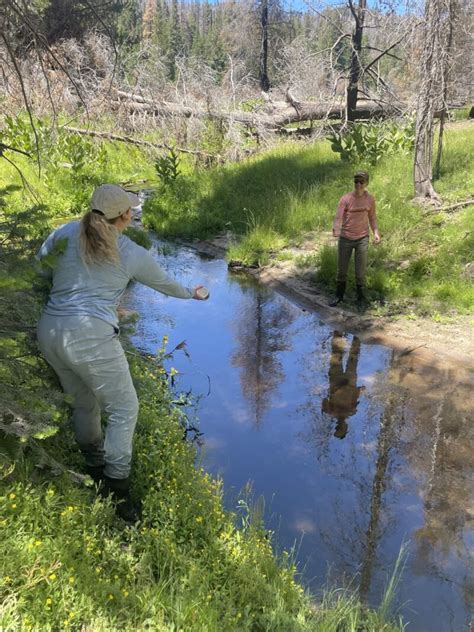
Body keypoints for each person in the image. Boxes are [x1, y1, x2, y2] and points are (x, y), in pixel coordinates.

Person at [37, 184, 208, 521]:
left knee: (85, 402)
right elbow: (167, 285)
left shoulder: (64, 232)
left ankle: (94, 465)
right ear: (127, 215)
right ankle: (118, 490)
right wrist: (194, 293)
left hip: (50, 332)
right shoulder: (130, 252)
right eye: (130, 210)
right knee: (124, 408)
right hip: (90, 337)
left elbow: (42, 264)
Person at [330, 170, 381, 307]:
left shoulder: (370, 199)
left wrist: (376, 232)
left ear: (366, 183)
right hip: (345, 238)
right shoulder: (346, 199)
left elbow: (372, 217)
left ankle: (361, 298)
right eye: (356, 181)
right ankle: (339, 296)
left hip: (362, 238)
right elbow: (338, 216)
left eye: (361, 182)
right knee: (342, 270)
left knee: (360, 271)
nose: (358, 184)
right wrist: (336, 228)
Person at [321, 331, 365, 440]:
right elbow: (356, 396)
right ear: (345, 427)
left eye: (339, 428)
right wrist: (361, 391)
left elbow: (324, 400)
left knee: (340, 353)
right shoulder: (350, 411)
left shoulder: (331, 411)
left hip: (336, 380)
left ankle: (340, 329)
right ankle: (356, 332)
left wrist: (360, 390)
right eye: (342, 428)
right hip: (348, 381)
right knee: (351, 356)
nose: (341, 426)